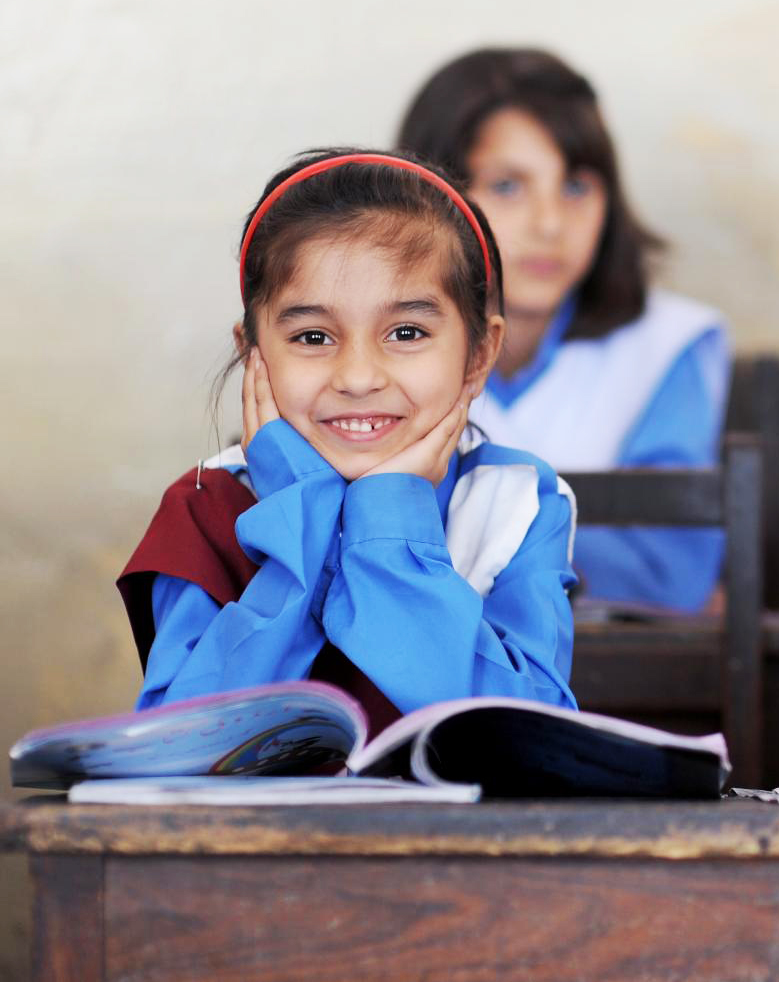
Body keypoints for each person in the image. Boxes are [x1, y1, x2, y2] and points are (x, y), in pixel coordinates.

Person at [118, 149, 577, 732]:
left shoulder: (517, 504)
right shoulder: (208, 504)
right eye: (313, 336)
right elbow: (177, 741)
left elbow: (534, 736)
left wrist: (388, 521)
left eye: (406, 332)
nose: (358, 377)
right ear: (251, 353)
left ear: (479, 354)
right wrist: (300, 518)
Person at [398, 49, 728, 614]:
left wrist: (453, 537)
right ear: (429, 195)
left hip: (615, 680)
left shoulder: (670, 344)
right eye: (507, 186)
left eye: (576, 188)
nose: (550, 224)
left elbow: (670, 573)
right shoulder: (376, 343)